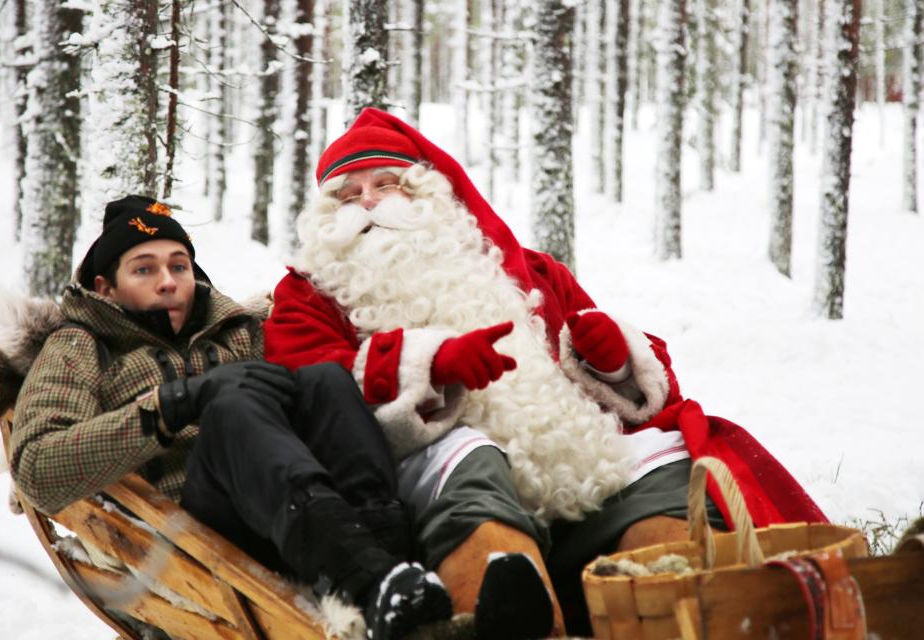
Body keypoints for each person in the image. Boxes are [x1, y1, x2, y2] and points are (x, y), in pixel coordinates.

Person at [263, 109, 829, 636]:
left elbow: (645, 388)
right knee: (472, 465)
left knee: (663, 470)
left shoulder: (526, 270)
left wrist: (611, 360)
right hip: (428, 458)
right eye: (348, 195)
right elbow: (311, 385)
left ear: (430, 193)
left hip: (570, 462)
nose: (367, 206)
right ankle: (515, 607)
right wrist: (426, 366)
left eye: (387, 185)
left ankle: (673, 606)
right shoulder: (309, 295)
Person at [0, 195, 452, 640]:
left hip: (291, 516)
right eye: (143, 269)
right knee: (232, 405)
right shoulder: (80, 346)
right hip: (194, 538)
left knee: (324, 380)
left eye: (179, 265)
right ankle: (370, 578)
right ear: (105, 288)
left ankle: (392, 565)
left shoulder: (236, 333)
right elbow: (36, 467)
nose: (169, 281)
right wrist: (170, 406)